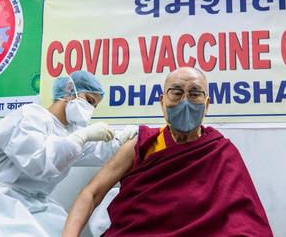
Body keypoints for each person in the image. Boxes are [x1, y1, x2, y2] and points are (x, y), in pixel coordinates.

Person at [63, 67, 273, 237]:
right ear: (162, 102)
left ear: (207, 104)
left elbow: (244, 220)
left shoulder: (220, 151)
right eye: (177, 92)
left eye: (195, 93)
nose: (185, 101)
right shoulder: (142, 145)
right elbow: (91, 193)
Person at [0, 70, 137, 237]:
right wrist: (82, 136)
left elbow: (98, 149)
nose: (90, 110)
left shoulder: (69, 132)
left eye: (94, 106)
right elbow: (38, 162)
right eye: (89, 101)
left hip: (31, 204)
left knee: (64, 230)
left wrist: (127, 138)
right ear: (68, 91)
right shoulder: (31, 116)